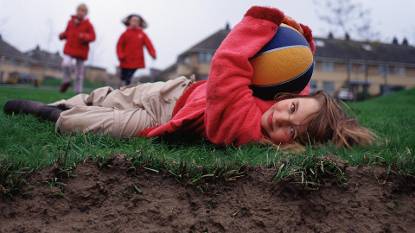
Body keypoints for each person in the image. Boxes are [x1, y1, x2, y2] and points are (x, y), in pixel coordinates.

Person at [4, 6, 374, 149]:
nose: (281, 118)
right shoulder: (278, 101)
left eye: (290, 131)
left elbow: (229, 63)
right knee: (115, 96)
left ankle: (49, 111)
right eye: (291, 107)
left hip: (162, 118)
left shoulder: (244, 127)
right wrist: (302, 42)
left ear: (289, 144)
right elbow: (297, 77)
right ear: (286, 97)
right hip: (175, 90)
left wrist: (263, 21)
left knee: (99, 124)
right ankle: (87, 97)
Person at [59, 3, 96, 94]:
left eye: (83, 11)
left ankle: (78, 92)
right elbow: (67, 33)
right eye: (79, 10)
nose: (81, 12)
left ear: (86, 13)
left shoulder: (88, 25)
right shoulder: (70, 22)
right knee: (65, 64)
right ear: (76, 11)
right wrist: (62, 35)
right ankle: (66, 81)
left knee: (79, 75)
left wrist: (84, 36)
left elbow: (93, 37)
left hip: (81, 51)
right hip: (70, 49)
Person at [116, 14, 156, 86]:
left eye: (137, 21)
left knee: (129, 77)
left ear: (140, 23)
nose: (135, 22)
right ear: (129, 22)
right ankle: (122, 88)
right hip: (125, 60)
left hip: (137, 61)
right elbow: (119, 46)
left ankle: (128, 88)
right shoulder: (125, 34)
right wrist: (120, 55)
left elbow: (149, 45)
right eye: (133, 20)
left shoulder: (142, 34)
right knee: (123, 77)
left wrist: (152, 53)